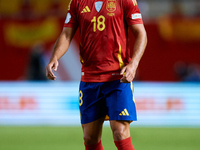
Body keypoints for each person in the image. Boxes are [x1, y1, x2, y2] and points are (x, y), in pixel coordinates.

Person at [46, 0, 147, 149]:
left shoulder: (125, 1)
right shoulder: (77, 3)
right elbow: (66, 34)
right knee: (90, 138)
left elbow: (141, 33)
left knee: (119, 132)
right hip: (89, 79)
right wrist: (54, 57)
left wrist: (133, 64)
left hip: (118, 78)